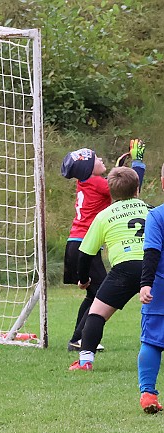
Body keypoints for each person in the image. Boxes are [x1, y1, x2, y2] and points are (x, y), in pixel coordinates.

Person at [61, 140, 146, 352]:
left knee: (93, 295)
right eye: (96, 158)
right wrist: (137, 165)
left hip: (75, 243)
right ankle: (80, 340)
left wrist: (119, 166)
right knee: (100, 295)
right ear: (89, 168)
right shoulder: (98, 183)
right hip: (84, 244)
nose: (100, 159)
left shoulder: (87, 182)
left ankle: (77, 337)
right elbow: (131, 190)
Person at [137, 164, 164, 413]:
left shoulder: (157, 215)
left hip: (160, 290)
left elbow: (151, 252)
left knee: (152, 342)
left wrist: (145, 283)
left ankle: (148, 394)